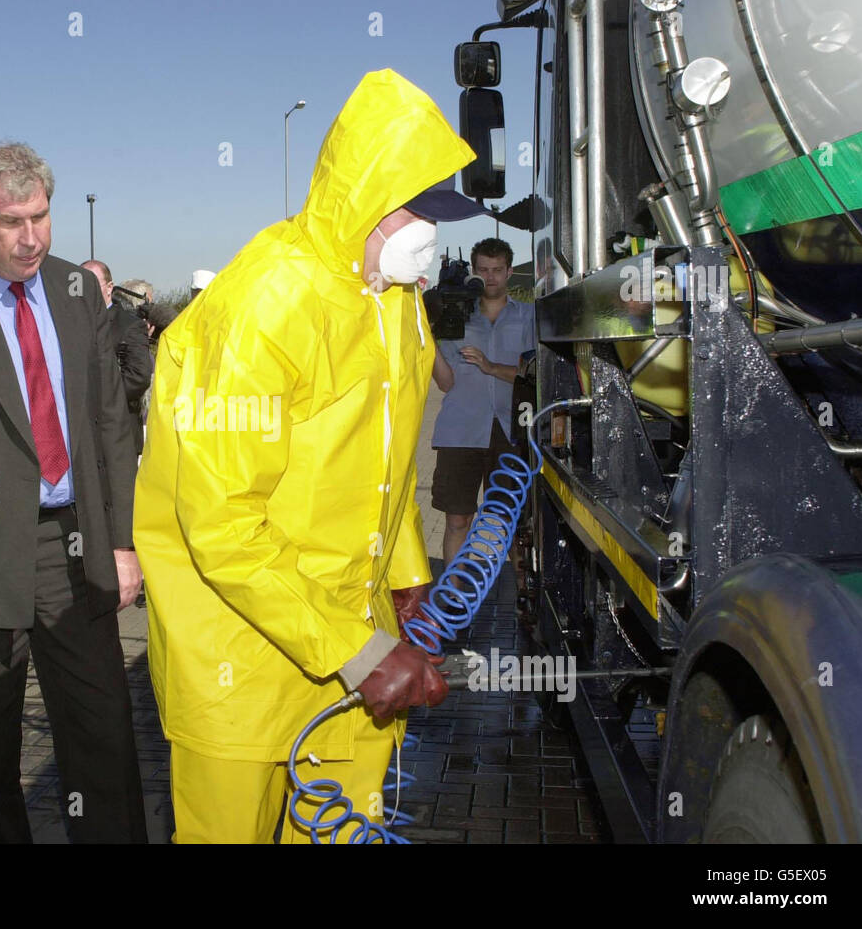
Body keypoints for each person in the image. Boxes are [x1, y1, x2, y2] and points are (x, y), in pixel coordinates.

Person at [134, 69, 473, 843]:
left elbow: (385, 467)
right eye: (414, 209)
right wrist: (354, 650)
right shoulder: (264, 305)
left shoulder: (397, 302)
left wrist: (408, 577)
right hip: (242, 658)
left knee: (340, 831)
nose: (429, 231)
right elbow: (220, 521)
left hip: (355, 647)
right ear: (363, 197)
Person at [0, 141, 146, 843]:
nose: (31, 237)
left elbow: (110, 421)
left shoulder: (75, 290)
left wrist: (121, 542)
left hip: (75, 547)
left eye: (41, 217)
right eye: (13, 221)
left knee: (103, 731)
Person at [430, 237, 536, 569]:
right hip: (460, 431)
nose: (490, 278)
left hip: (512, 431)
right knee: (457, 520)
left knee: (512, 522)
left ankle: (520, 601)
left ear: (510, 272)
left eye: (497, 271)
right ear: (473, 272)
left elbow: (535, 375)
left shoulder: (530, 316)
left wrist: (491, 367)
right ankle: (453, 602)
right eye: (483, 270)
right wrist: (427, 338)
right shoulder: (455, 317)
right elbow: (446, 383)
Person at [83, 259, 153, 457]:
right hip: (83, 439)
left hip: (118, 436)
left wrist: (97, 397)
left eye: (92, 283)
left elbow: (138, 377)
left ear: (109, 288)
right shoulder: (68, 323)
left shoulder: (129, 325)